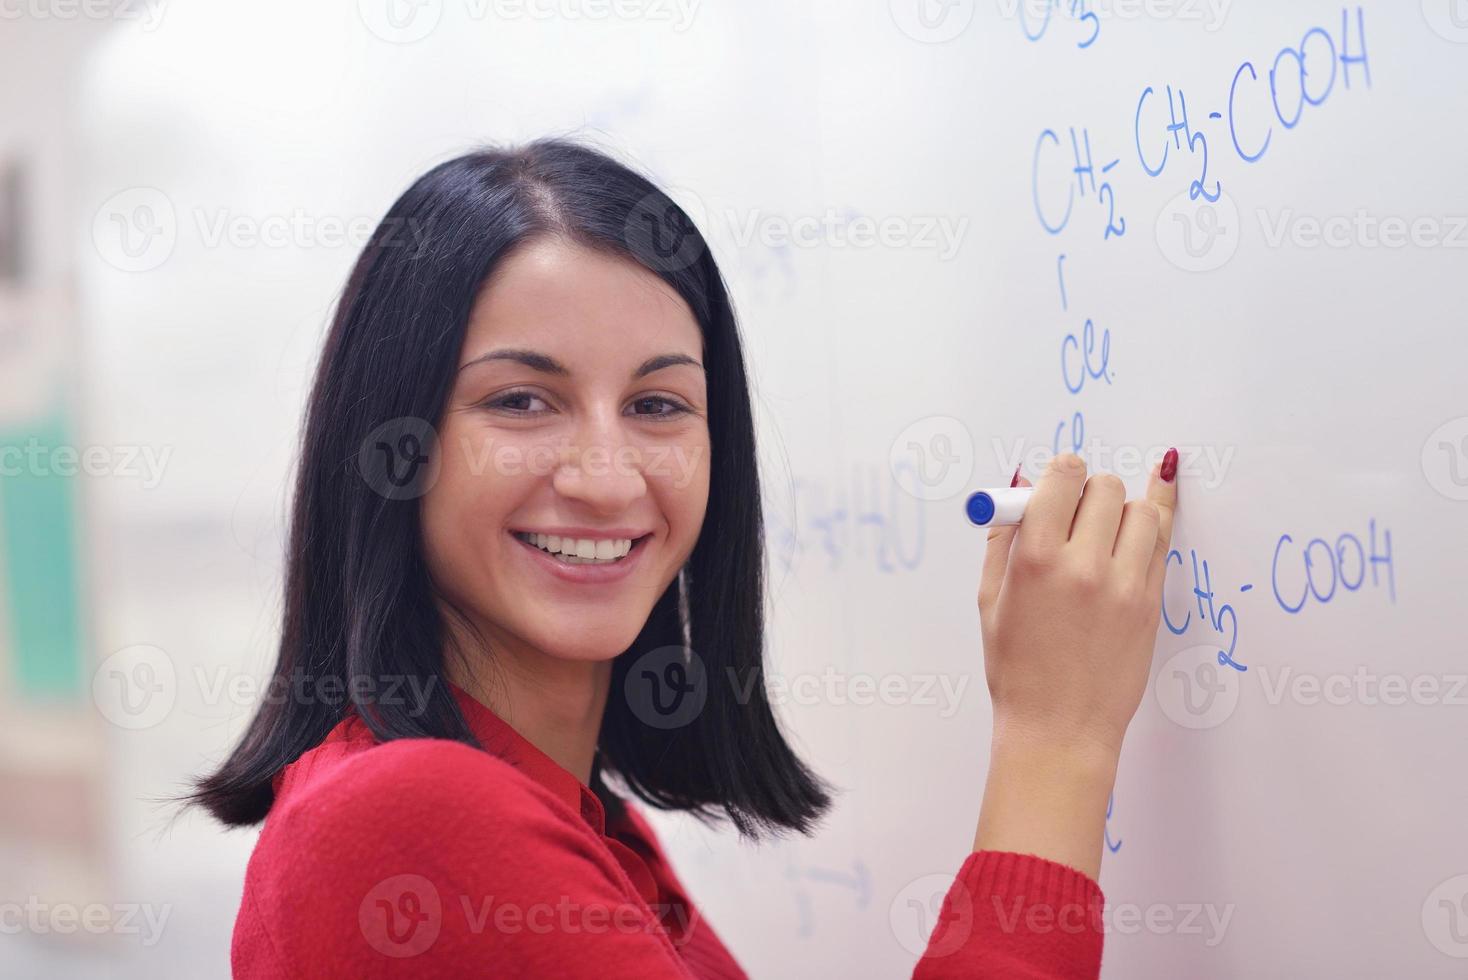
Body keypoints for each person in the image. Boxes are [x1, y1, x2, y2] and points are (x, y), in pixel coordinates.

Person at [184, 136, 1178, 978]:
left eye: (658, 404)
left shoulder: (579, 816)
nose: (608, 477)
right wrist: (1056, 738)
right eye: (522, 400)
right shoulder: (407, 815)